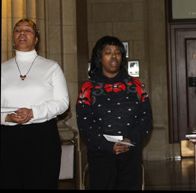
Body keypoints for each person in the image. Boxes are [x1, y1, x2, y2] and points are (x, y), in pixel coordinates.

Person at [76, 36, 153, 190]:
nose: (113, 56)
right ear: (99, 57)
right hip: (100, 154)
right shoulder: (88, 88)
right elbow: (85, 123)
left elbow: (146, 118)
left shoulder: (135, 84)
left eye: (117, 52)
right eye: (108, 52)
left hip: (130, 152)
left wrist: (129, 140)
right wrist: (107, 145)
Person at [1, 19, 70, 189]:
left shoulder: (51, 67)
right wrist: (7, 117)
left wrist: (33, 112)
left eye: (28, 30)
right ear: (13, 37)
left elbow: (62, 103)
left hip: (42, 138)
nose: (22, 33)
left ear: (36, 39)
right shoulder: (3, 69)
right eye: (17, 30)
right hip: (7, 138)